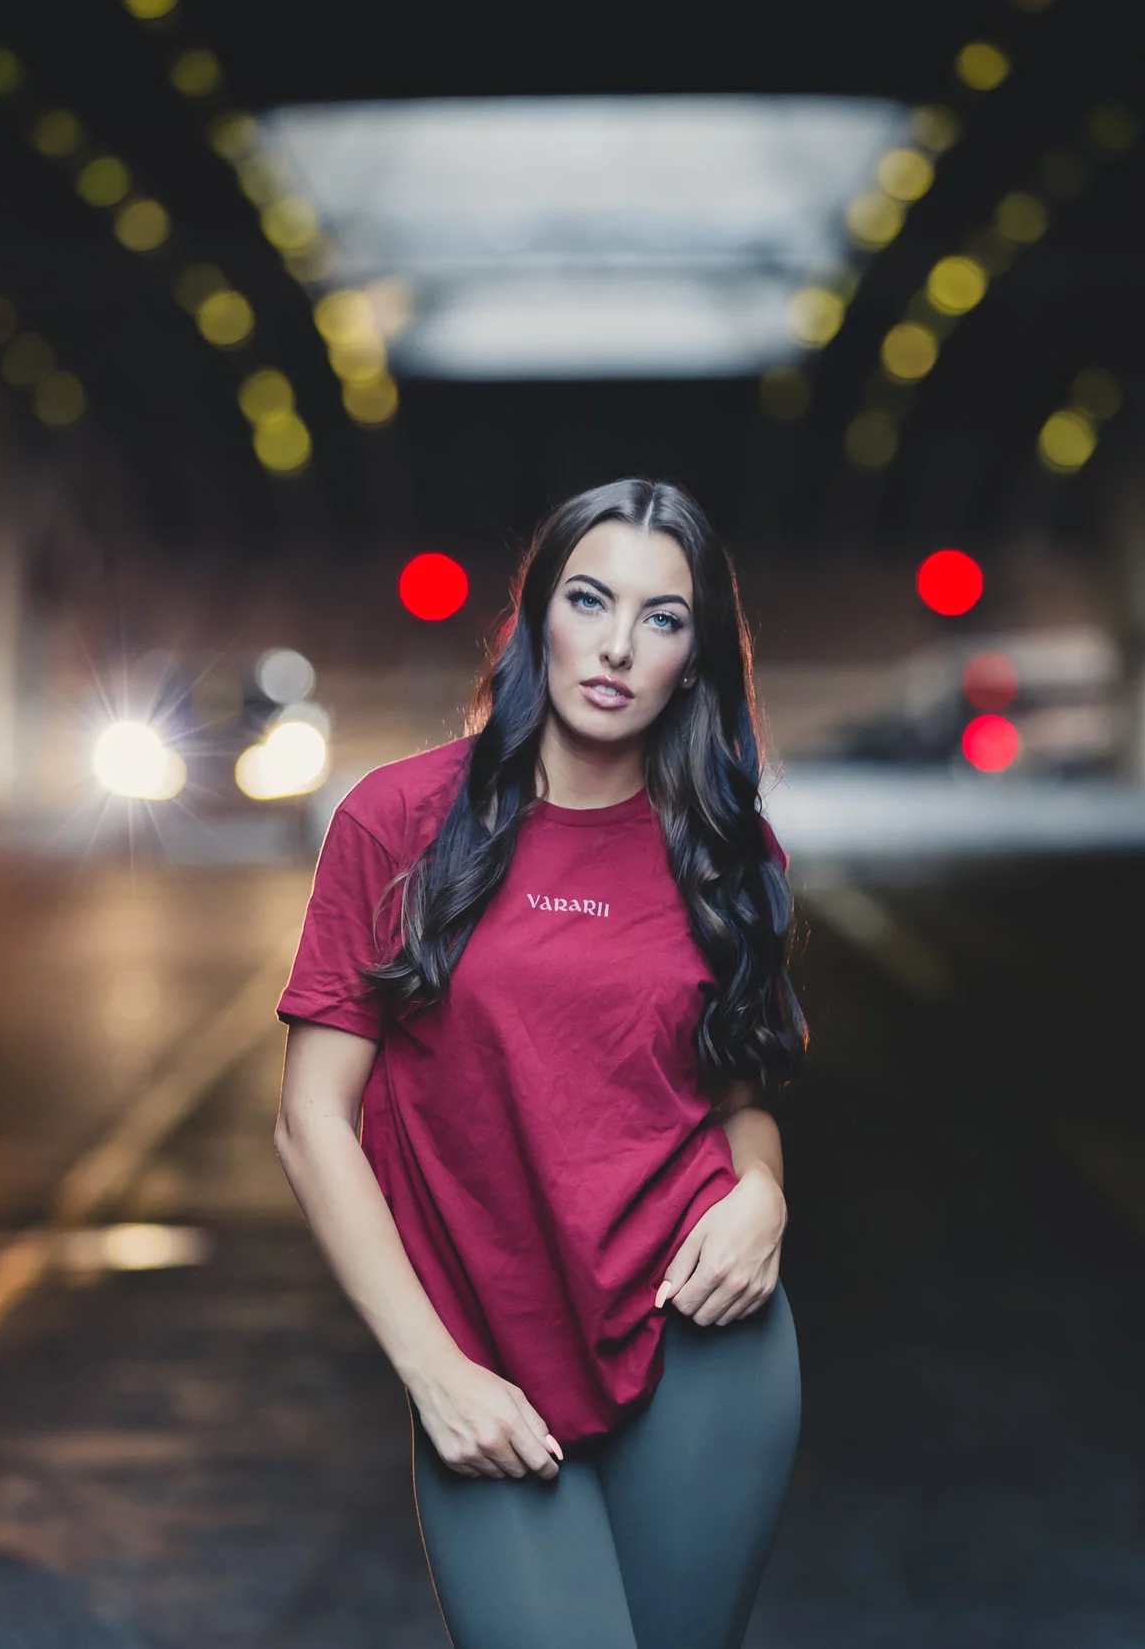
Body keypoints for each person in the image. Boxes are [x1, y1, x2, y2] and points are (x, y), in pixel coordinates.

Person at [273, 479, 808, 1649]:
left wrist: (762, 1194)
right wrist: (432, 1371)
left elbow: (738, 1100)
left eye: (662, 618)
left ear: (695, 657)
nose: (617, 645)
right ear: (536, 616)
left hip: (704, 1339)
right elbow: (312, 1120)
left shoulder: (728, 850)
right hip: (484, 1360)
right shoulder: (399, 818)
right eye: (589, 599)